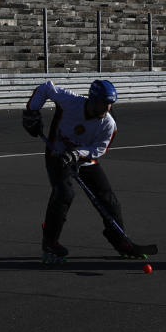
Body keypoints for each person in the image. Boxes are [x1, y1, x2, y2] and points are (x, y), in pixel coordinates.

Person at [21, 79, 152, 264]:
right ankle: (50, 242)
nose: (107, 108)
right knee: (64, 193)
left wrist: (77, 154)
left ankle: (120, 241)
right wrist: (32, 111)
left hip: (83, 159)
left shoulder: (108, 124)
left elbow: (100, 148)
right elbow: (45, 88)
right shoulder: (71, 102)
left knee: (108, 199)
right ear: (92, 99)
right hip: (57, 155)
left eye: (110, 104)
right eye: (103, 103)